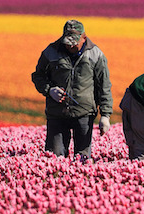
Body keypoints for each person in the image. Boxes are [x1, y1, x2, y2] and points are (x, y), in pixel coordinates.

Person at [31, 20, 113, 161]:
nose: (70, 46)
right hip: (57, 113)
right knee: (54, 158)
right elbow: (38, 76)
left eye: (74, 42)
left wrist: (105, 115)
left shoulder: (95, 55)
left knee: (82, 159)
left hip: (84, 113)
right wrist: (50, 90)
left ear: (84, 37)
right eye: (67, 42)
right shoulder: (51, 52)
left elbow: (103, 86)